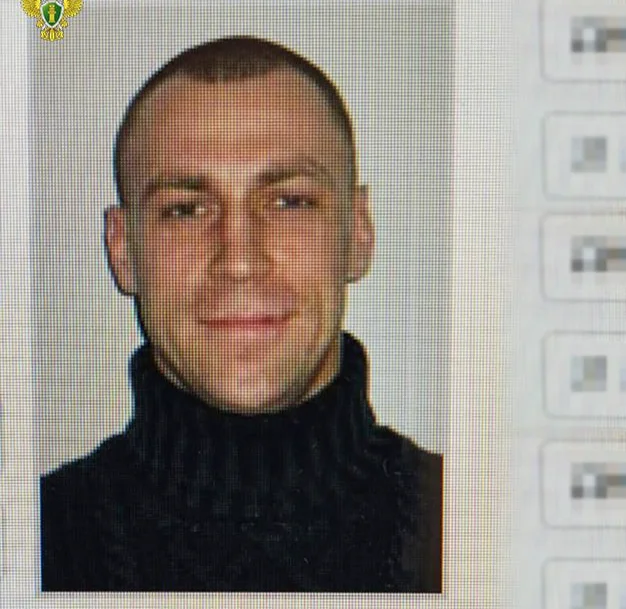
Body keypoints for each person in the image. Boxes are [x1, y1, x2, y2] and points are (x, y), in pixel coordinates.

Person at [39, 36, 443, 593]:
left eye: (289, 202)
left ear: (357, 234)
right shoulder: (32, 543)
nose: (239, 261)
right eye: (185, 209)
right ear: (123, 250)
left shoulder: (478, 531)